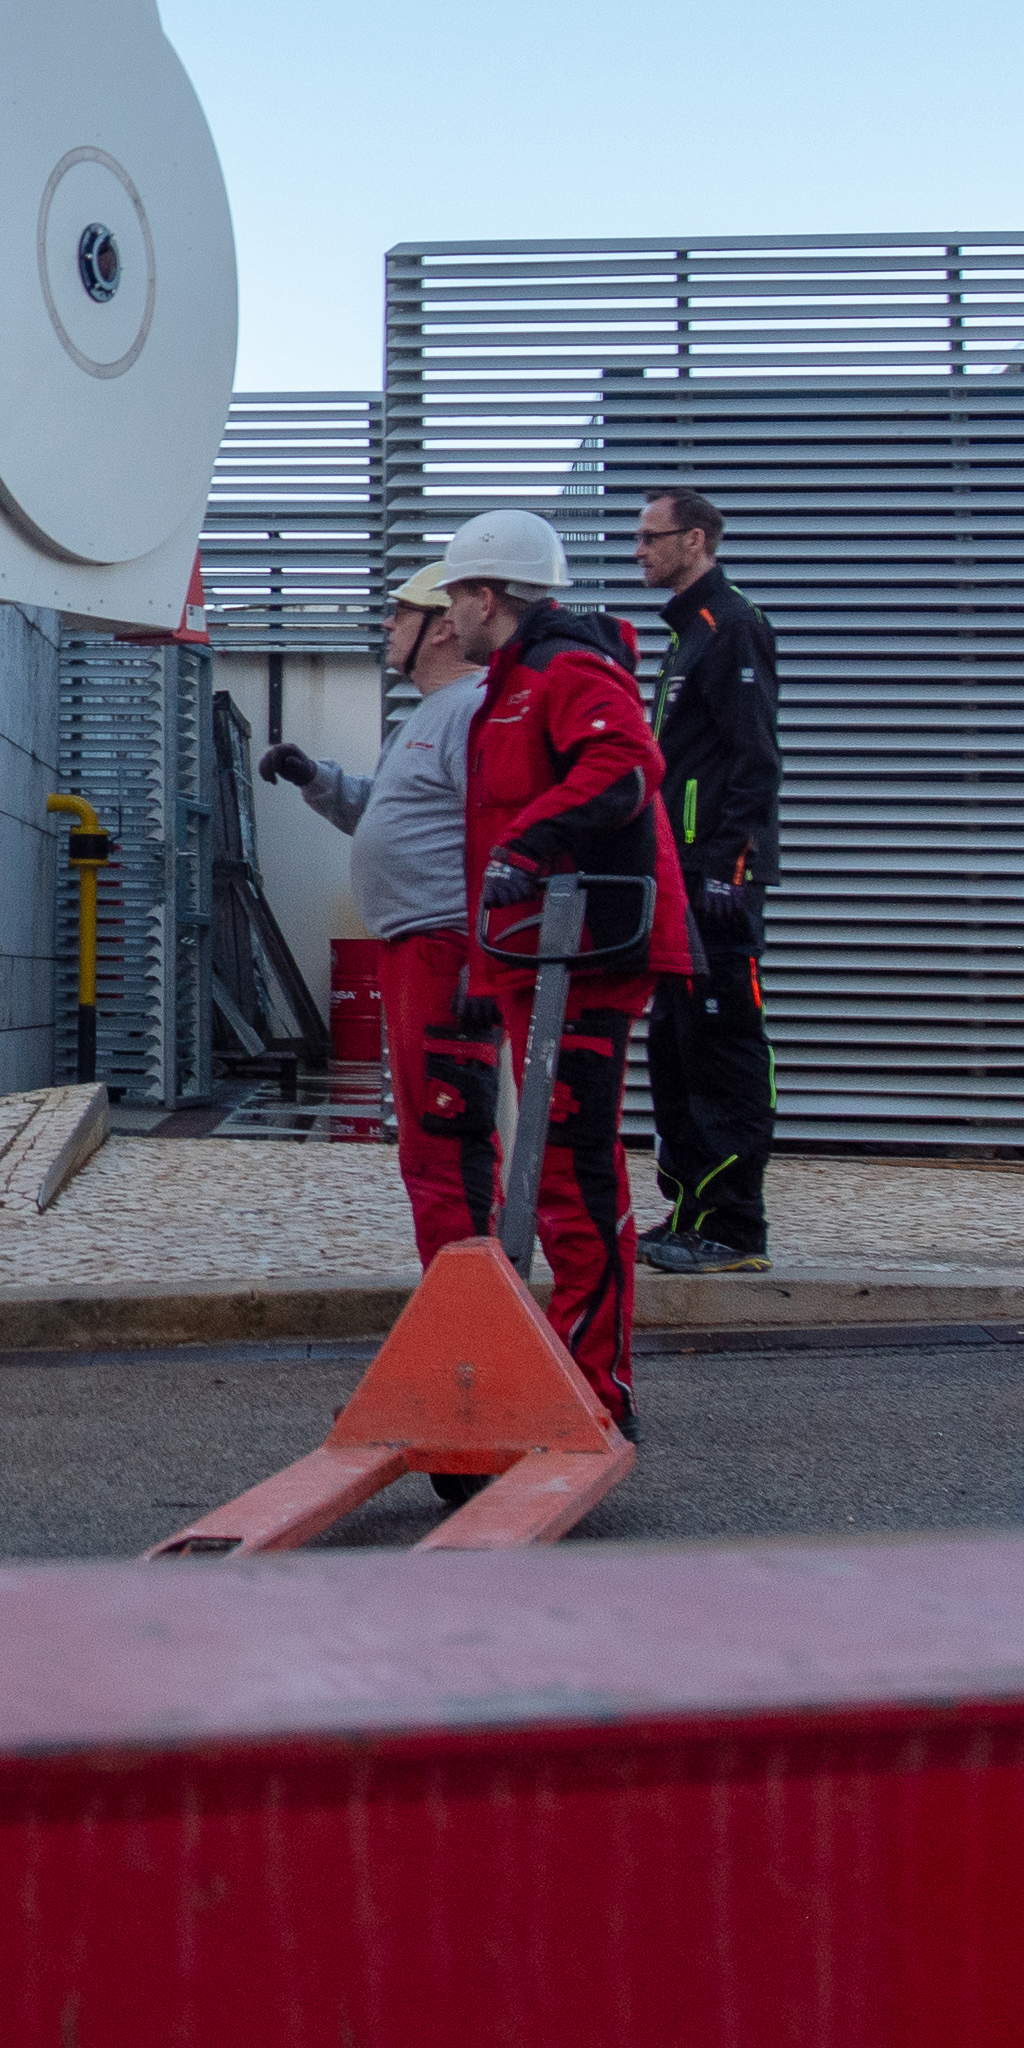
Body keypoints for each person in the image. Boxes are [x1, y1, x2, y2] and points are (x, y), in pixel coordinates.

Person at [432, 506, 692, 1427]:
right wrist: (479, 968)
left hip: (584, 956)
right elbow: (486, 841)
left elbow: (625, 763)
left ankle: (597, 1389)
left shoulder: (564, 667)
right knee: (544, 1173)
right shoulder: (509, 683)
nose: (444, 616)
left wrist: (532, 844)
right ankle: (565, 1371)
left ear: (487, 594)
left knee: (574, 1175)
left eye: (453, 595)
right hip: (534, 961)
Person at [260, 565, 489, 1300]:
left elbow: (497, 835)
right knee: (426, 1134)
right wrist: (312, 777)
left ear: (443, 625)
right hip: (410, 945)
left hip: (443, 946)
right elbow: (380, 813)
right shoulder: (421, 718)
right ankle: (457, 1292)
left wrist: (480, 960)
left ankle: (472, 1301)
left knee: (444, 1128)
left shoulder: (472, 711)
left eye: (398, 614)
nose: (386, 627)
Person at [633, 484, 781, 1273]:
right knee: (678, 1046)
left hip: (715, 888)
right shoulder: (687, 637)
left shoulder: (734, 629)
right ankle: (690, 1212)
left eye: (652, 538)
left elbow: (755, 760)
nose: (640, 551)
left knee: (723, 1047)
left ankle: (734, 1228)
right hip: (678, 881)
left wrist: (730, 869)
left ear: (694, 541)